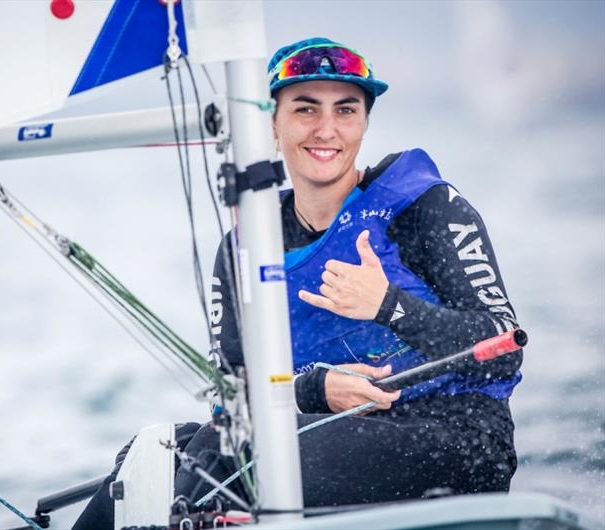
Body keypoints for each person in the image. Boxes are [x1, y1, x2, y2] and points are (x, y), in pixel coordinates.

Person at [73, 37, 522, 528]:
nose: (326, 130)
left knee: (230, 459)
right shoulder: (244, 245)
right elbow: (231, 394)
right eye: (306, 109)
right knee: (152, 455)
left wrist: (389, 305)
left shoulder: (425, 209)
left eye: (345, 110)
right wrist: (314, 389)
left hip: (456, 437)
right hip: (323, 434)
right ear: (271, 124)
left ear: (364, 123)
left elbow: (506, 348)